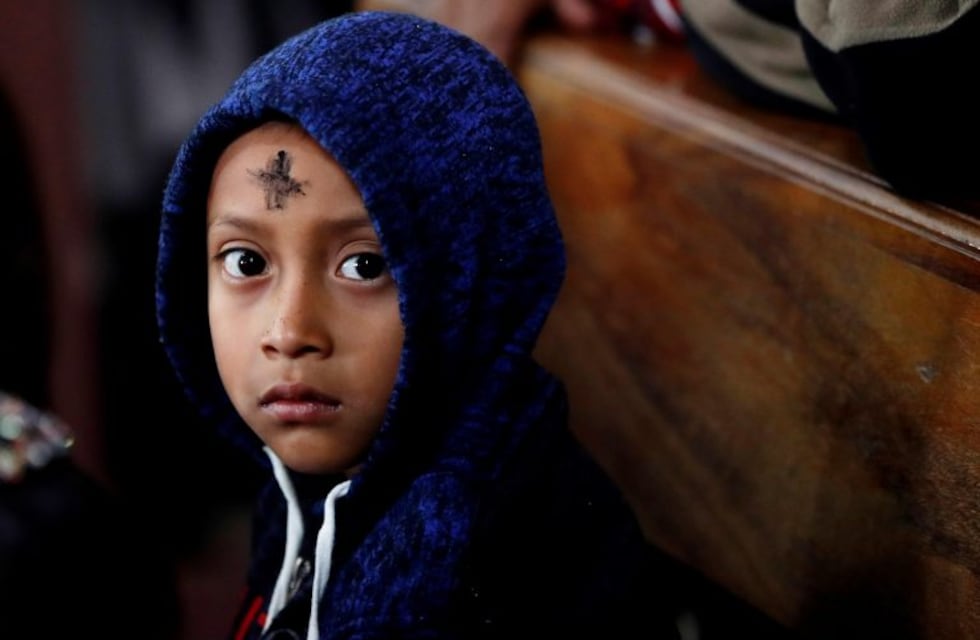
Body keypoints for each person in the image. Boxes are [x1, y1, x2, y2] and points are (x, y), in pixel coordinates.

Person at [155, 10, 685, 639]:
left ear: (473, 280)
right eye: (246, 262)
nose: (290, 330)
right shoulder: (307, 486)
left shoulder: (503, 563)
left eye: (365, 265)